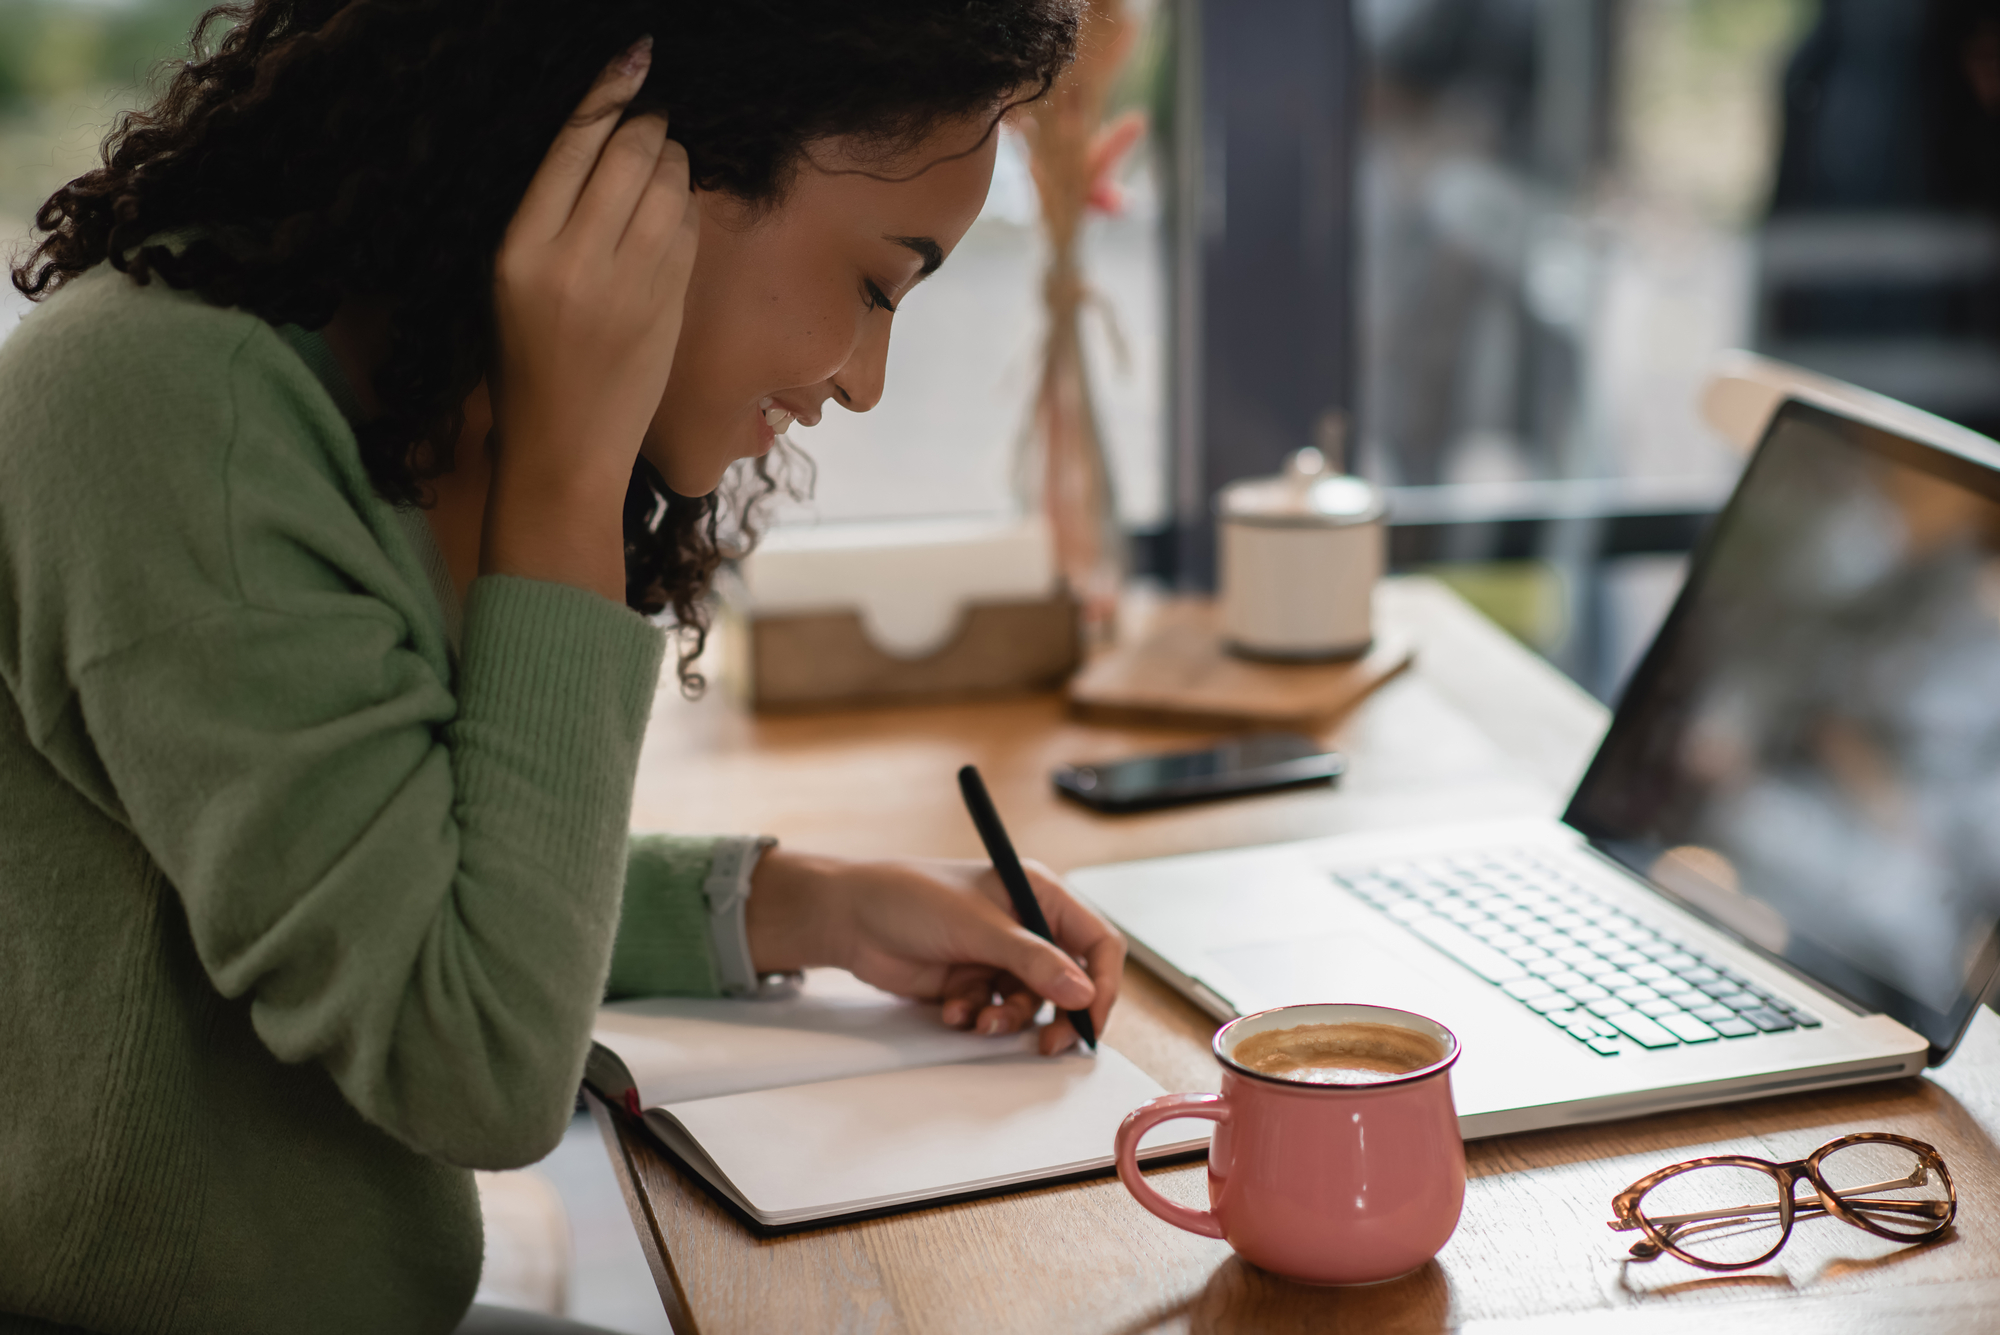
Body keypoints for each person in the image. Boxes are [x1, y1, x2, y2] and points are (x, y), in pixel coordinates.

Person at [0, 3, 1125, 1332]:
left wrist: (796, 905)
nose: (868, 381)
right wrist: (568, 471)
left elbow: (382, 882)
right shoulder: (176, 412)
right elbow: (477, 1059)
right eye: (879, 284)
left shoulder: (384, 380)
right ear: (646, 164)